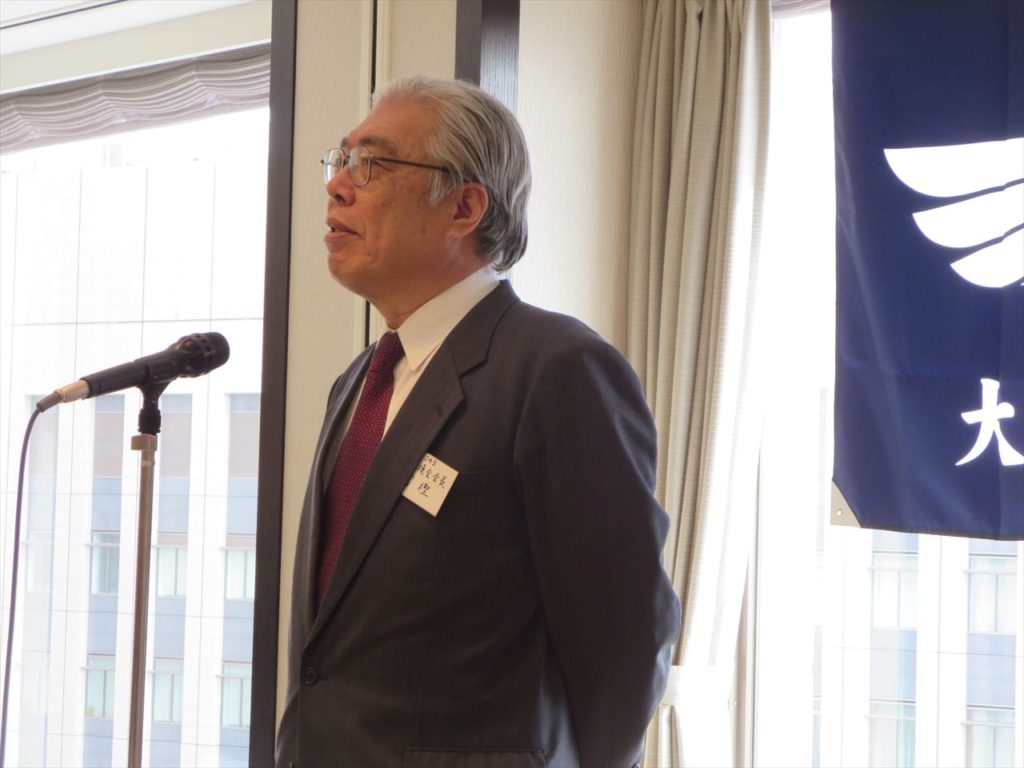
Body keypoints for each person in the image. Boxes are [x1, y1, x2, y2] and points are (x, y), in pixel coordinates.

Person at [276, 76, 680, 768]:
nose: (337, 186)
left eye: (370, 164)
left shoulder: (556, 368)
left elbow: (624, 640)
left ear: (464, 207)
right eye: (339, 161)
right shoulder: (358, 381)